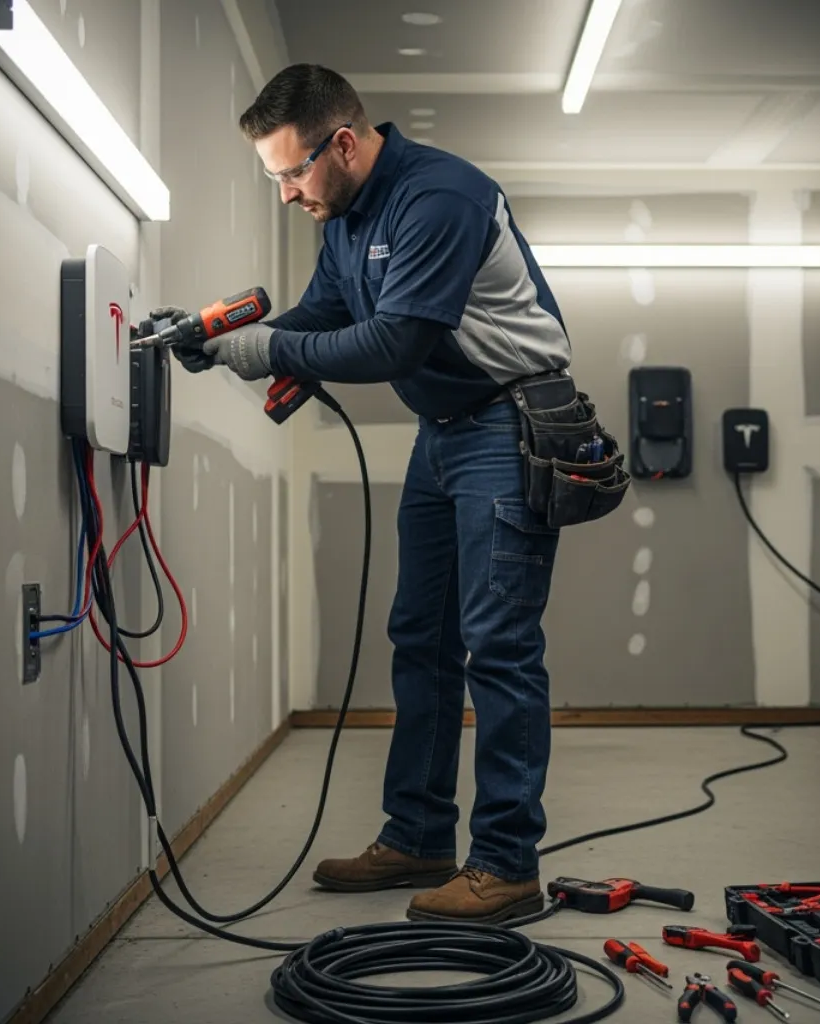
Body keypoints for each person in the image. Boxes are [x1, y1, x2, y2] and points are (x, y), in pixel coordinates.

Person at [159, 64, 575, 924]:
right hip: (445, 433)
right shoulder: (343, 217)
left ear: (342, 143)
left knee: (497, 642)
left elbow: (390, 343)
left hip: (510, 425)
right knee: (421, 634)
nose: (284, 194)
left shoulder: (442, 198)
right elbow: (322, 317)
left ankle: (506, 863)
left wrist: (268, 355)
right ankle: (419, 834)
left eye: (290, 172)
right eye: (272, 176)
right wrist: (221, 340)